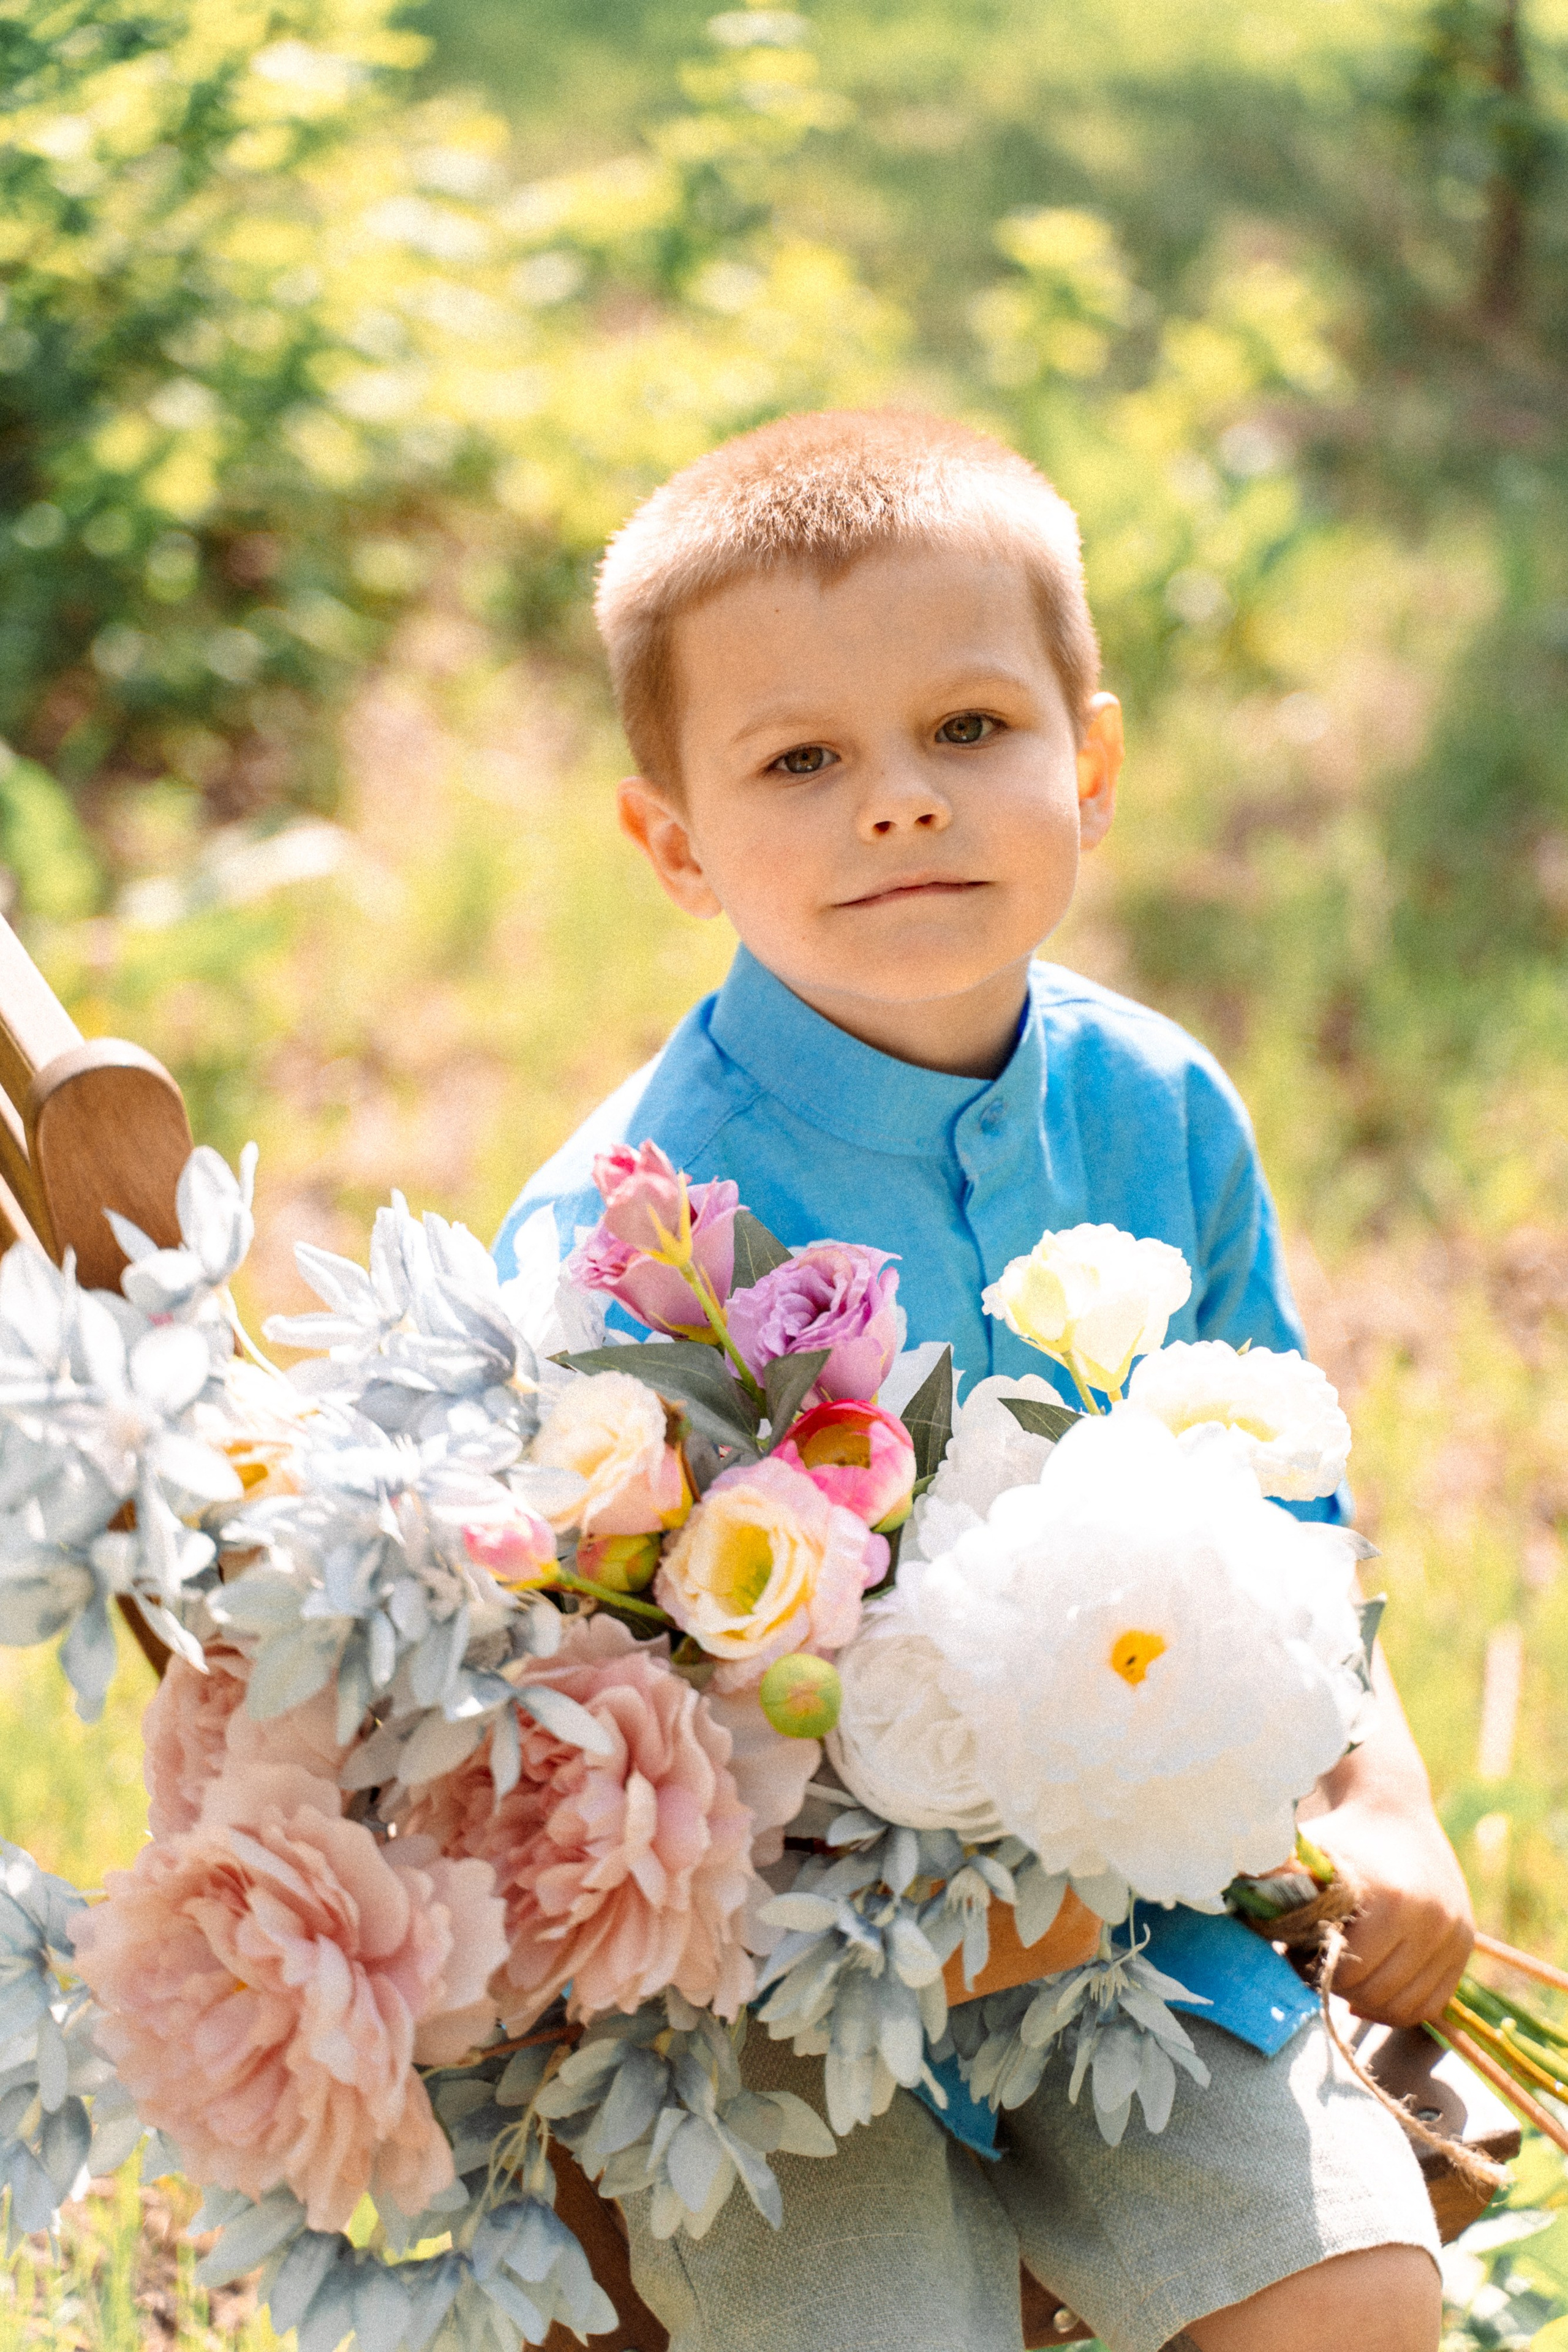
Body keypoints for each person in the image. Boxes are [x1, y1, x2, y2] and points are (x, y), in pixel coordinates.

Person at [495, 410, 1471, 2352]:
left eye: (967, 732)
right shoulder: (641, 1228)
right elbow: (590, 1703)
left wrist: (1379, 1785)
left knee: (1352, 2297)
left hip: (1147, 1907)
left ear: (1088, 765)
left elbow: (1269, 1491)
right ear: (675, 841)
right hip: (775, 1977)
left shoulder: (1157, 1106)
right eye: (801, 760)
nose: (900, 806)